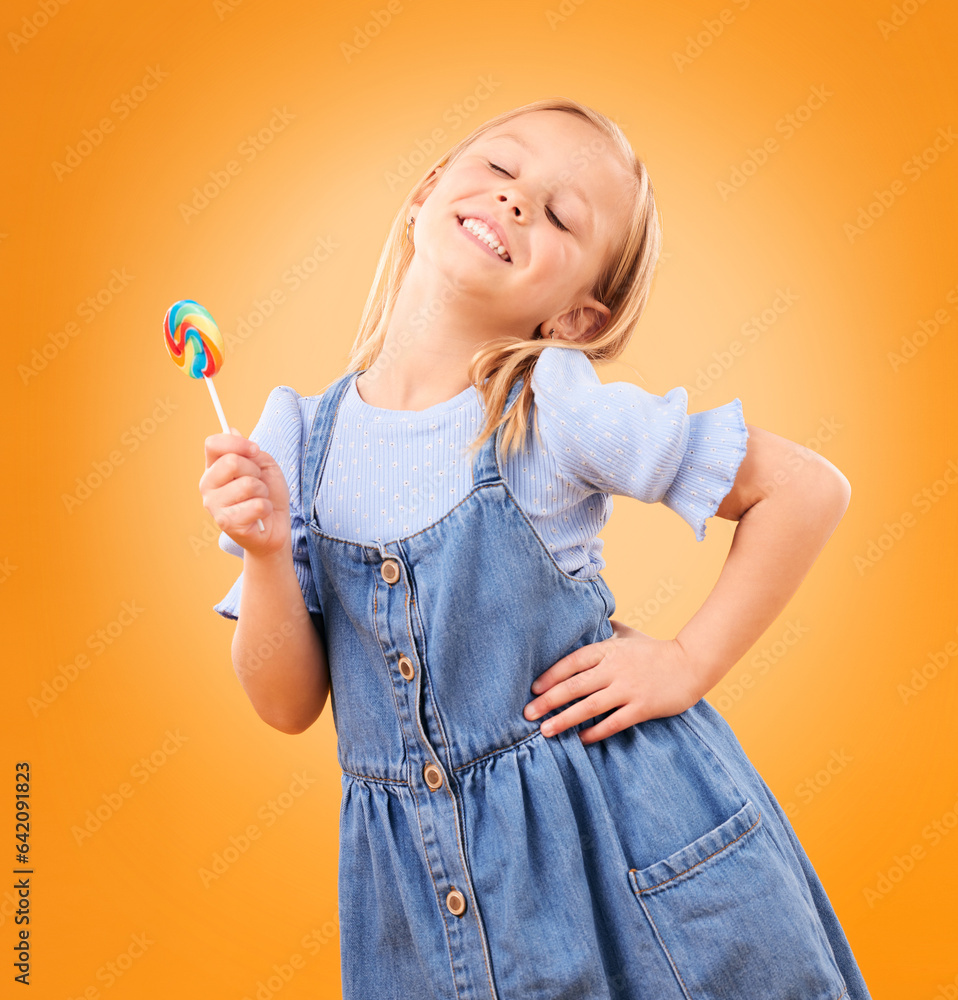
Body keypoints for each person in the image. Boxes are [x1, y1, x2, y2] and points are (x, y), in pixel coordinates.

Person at [200, 97, 873, 1000]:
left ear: (578, 318)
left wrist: (684, 662)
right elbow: (286, 704)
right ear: (428, 190)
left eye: (561, 216)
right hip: (419, 900)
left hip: (632, 847)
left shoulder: (552, 403)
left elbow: (806, 489)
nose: (517, 202)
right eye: (500, 170)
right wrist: (266, 555)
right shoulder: (296, 438)